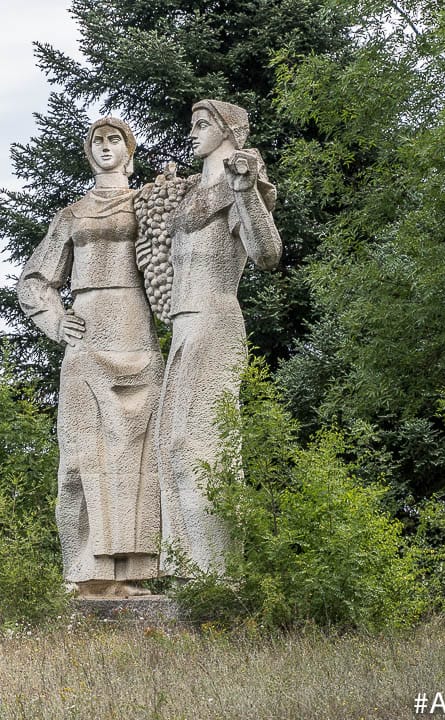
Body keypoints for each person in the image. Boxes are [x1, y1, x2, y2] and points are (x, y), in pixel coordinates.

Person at [17, 117, 163, 597]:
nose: (105, 147)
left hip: (135, 330)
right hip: (86, 335)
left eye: (114, 139)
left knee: (136, 455)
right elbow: (35, 280)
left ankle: (137, 572)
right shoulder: (73, 214)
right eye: (97, 140)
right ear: (87, 151)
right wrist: (56, 320)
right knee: (83, 456)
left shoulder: (150, 204)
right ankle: (87, 573)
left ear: (129, 149)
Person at [156, 99, 282, 576]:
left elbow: (267, 253)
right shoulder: (190, 193)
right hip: (183, 326)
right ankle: (188, 570)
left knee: (201, 445)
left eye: (202, 124)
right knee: (172, 447)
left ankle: (219, 574)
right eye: (192, 124)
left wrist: (246, 190)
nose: (193, 132)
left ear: (230, 130)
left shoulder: (239, 181)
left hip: (215, 317)